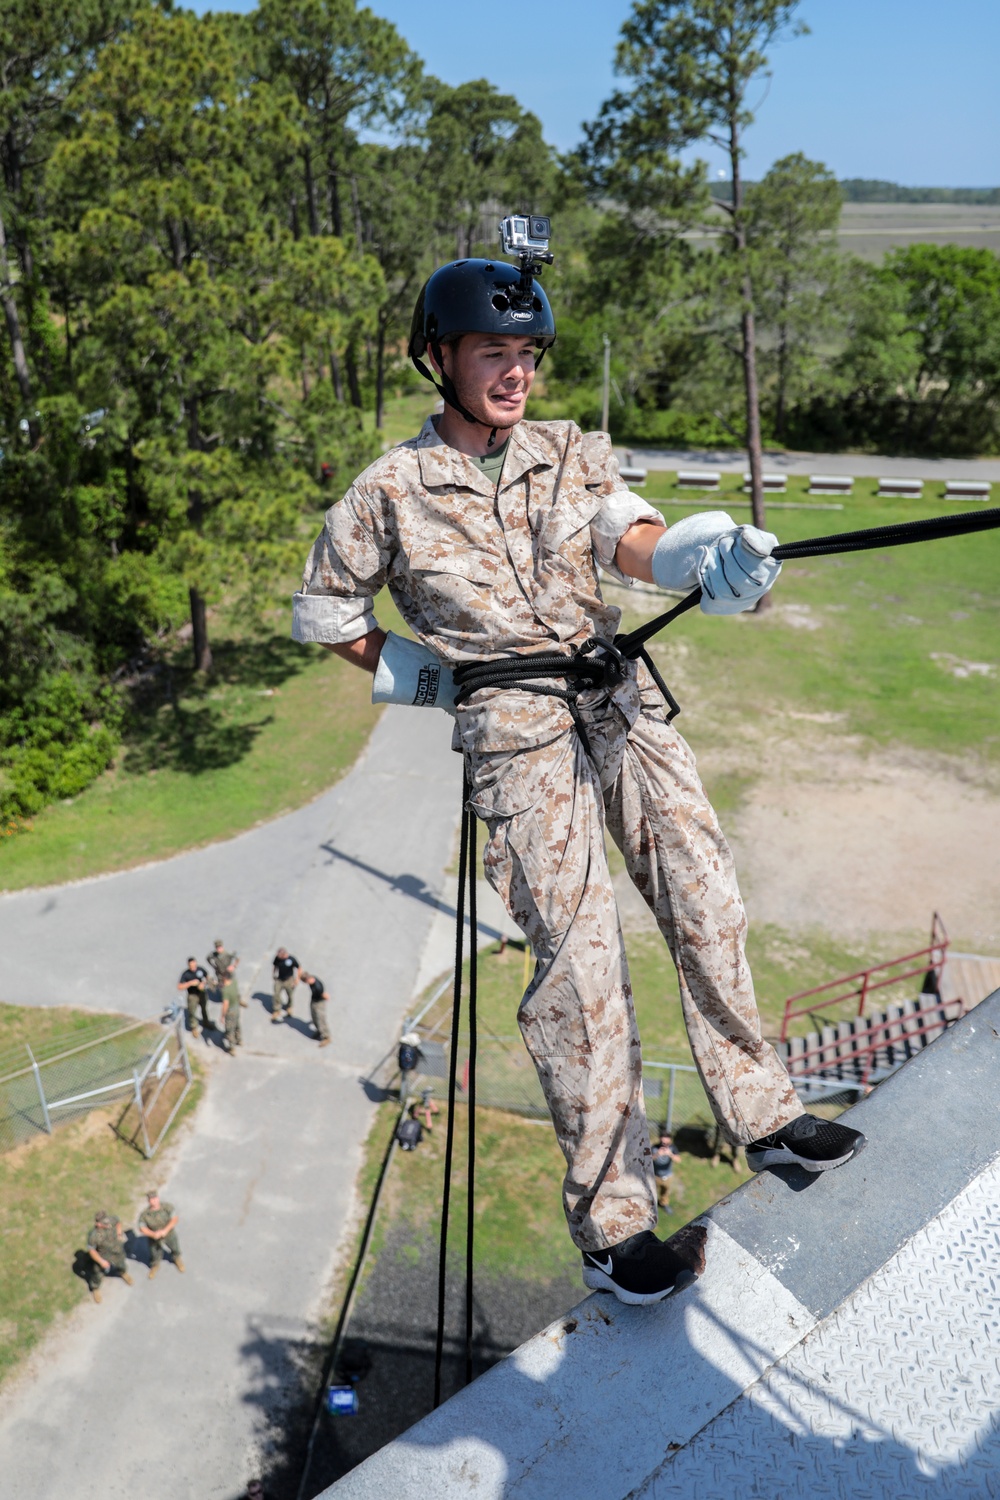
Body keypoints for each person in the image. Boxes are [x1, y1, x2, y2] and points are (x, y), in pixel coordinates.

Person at [291, 241, 865, 1307]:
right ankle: (613, 1224)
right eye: (490, 353)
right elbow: (323, 613)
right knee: (578, 963)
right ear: (439, 357)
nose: (514, 372)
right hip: (513, 730)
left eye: (527, 352)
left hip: (615, 695)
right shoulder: (390, 490)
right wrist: (427, 683)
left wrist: (700, 559)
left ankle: (764, 1114)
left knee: (705, 894)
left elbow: (629, 538)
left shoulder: (567, 451)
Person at [85, 1209, 133, 1303]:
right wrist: (101, 1261)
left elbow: (118, 1221)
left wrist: (119, 1233)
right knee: (98, 1274)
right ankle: (95, 1288)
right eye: (104, 1223)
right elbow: (92, 1251)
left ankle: (123, 1273)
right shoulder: (94, 1235)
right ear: (98, 1224)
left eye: (107, 1222)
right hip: (103, 1256)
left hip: (117, 1251)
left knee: (121, 1264)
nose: (107, 1225)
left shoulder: (111, 1220)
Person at [138, 1190, 184, 1278]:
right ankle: (155, 1265)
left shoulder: (167, 1207)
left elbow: (175, 1219)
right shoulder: (145, 1214)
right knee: (155, 1253)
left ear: (158, 1198)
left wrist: (165, 1230)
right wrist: (153, 1234)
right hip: (154, 1238)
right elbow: (142, 1228)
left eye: (155, 1198)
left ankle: (177, 1259)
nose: (154, 1201)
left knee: (175, 1247)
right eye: (151, 1199)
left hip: (169, 1233)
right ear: (149, 1201)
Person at [177, 956, 212, 1036]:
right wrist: (190, 983)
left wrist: (204, 983)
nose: (193, 967)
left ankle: (206, 1022)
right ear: (188, 965)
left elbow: (207, 977)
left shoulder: (200, 970)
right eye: (191, 966)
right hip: (192, 995)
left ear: (196, 963)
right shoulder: (186, 974)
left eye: (194, 965)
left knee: (204, 1009)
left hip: (201, 993)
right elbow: (179, 986)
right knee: (192, 1011)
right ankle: (194, 1027)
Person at [208, 938, 244, 1006]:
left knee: (233, 987)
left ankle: (238, 1000)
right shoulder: (213, 954)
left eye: (220, 947)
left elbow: (238, 957)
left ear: (222, 946)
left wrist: (234, 966)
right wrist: (213, 966)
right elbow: (208, 958)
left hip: (229, 974)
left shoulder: (227, 953)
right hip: (220, 974)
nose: (219, 949)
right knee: (222, 988)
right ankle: (226, 1000)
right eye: (217, 947)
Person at [651, 1134, 681, 1214]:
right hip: (655, 1176)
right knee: (652, 1192)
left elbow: (678, 1160)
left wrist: (670, 1154)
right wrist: (657, 1154)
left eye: (666, 1143)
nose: (664, 1144)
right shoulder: (654, 1147)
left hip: (667, 1176)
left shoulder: (673, 1148)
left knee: (665, 1192)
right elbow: (647, 1160)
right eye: (662, 1142)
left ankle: (664, 1204)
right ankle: (652, 1205)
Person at [300, 971, 331, 1047]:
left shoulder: (317, 986)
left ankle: (326, 1037)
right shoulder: (311, 979)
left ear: (307, 980)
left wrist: (326, 996)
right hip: (314, 1000)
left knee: (320, 1019)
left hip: (319, 1003)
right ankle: (319, 1030)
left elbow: (324, 995)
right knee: (314, 1017)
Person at [271, 947, 300, 1022]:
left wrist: (297, 979)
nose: (278, 957)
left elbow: (299, 967)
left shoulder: (291, 959)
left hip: (289, 980)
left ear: (284, 954)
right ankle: (277, 1010)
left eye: (279, 955)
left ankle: (289, 1007)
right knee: (276, 994)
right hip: (279, 979)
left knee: (290, 994)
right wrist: (274, 974)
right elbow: (275, 966)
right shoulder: (277, 959)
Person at [221, 963, 242, 1053]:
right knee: (237, 1024)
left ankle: (232, 1047)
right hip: (236, 1007)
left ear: (224, 978)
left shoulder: (225, 990)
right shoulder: (234, 983)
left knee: (230, 1029)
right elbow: (232, 974)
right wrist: (232, 967)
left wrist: (222, 1015)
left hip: (230, 1011)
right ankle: (239, 1039)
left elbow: (225, 1004)